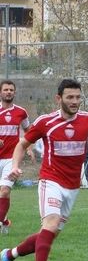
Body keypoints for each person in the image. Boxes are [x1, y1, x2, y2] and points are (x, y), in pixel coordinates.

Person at [0, 79, 88, 261]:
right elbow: (22, 145)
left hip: (73, 186)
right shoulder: (45, 122)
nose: (75, 101)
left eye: (78, 97)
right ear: (59, 99)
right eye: (70, 97)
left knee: (49, 233)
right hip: (50, 180)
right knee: (51, 223)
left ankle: (8, 255)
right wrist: (15, 165)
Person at [0, 80, 30, 235]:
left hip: (12, 160)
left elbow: (29, 131)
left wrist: (29, 148)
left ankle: (0, 222)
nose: (9, 92)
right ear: (1, 92)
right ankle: (5, 221)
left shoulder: (21, 112)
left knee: (4, 191)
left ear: (15, 92)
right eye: (6, 89)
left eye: (11, 90)